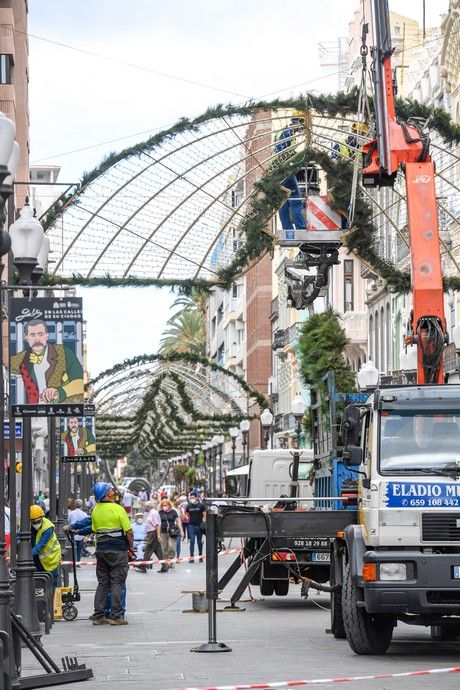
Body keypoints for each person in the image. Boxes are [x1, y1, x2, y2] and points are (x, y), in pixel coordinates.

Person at [10, 318, 84, 404]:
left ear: (47, 335)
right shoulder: (22, 357)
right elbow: (7, 365)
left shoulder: (64, 352)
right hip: (32, 411)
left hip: (58, 411)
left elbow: (80, 381)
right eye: (32, 335)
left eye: (40, 334)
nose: (37, 340)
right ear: (26, 337)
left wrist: (59, 392)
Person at [90, 481, 134, 625]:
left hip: (101, 551)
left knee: (103, 583)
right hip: (117, 551)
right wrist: (131, 546)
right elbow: (128, 531)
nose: (113, 492)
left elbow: (95, 530)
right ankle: (116, 616)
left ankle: (98, 616)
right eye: (111, 490)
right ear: (107, 493)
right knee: (117, 583)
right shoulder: (118, 509)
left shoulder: (95, 510)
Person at [274, 112, 307, 233]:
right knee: (295, 200)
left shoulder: (281, 132)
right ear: (297, 121)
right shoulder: (289, 133)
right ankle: (301, 229)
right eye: (302, 123)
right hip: (286, 171)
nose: (302, 127)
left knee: (283, 202)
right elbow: (284, 153)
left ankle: (287, 230)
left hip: (278, 172)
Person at [30, 505, 61, 589]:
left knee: (51, 586)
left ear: (42, 517)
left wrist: (26, 556)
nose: (36, 523)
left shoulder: (47, 528)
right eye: (34, 522)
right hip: (38, 559)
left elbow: (40, 545)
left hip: (51, 559)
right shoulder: (29, 525)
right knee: (39, 586)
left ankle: (52, 600)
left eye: (38, 521)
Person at [158, 499, 183, 570]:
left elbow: (178, 522)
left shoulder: (173, 512)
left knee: (172, 546)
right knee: (164, 548)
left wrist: (181, 531)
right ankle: (167, 563)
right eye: (163, 505)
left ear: (169, 505)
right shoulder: (160, 512)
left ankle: (170, 559)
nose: (164, 506)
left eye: (166, 505)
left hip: (172, 532)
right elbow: (158, 523)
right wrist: (158, 534)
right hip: (163, 532)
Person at [140, 501, 163, 573]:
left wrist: (158, 535)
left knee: (148, 550)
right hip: (151, 533)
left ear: (148, 506)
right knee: (158, 551)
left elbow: (157, 525)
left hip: (153, 534)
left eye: (145, 506)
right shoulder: (151, 513)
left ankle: (143, 567)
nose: (145, 507)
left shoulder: (154, 513)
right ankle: (165, 566)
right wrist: (147, 535)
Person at [186, 493, 206, 562]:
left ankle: (200, 556)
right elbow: (186, 514)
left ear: (196, 498)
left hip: (199, 525)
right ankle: (192, 557)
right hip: (191, 525)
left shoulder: (201, 505)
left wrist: (204, 523)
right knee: (192, 541)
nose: (192, 499)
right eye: (191, 498)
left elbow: (204, 515)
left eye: (193, 498)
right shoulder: (189, 505)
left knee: (199, 542)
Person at [68, 498, 87, 563]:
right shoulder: (84, 514)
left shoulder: (70, 513)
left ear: (75, 505)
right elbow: (86, 525)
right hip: (81, 534)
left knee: (73, 549)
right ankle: (78, 561)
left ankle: (74, 561)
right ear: (82, 505)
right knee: (79, 549)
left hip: (72, 534)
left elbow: (68, 522)